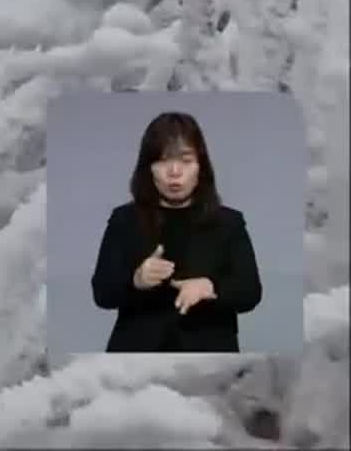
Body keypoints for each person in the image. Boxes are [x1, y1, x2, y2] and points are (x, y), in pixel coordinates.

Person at [90, 111, 262, 352]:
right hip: (136, 357)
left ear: (201, 167)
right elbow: (102, 293)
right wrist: (136, 280)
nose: (174, 171)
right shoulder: (125, 220)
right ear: (148, 168)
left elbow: (250, 291)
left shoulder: (228, 222)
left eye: (185, 160)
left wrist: (210, 287)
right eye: (162, 160)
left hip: (209, 359)